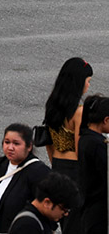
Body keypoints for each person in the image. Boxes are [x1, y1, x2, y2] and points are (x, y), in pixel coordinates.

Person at [42, 55, 93, 233]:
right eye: (88, 81)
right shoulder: (80, 112)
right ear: (79, 83)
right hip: (75, 170)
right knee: (78, 221)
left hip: (57, 166)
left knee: (64, 218)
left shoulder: (52, 106)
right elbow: (82, 149)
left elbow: (49, 142)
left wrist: (54, 166)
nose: (89, 85)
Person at [0, 124, 52, 234]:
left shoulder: (39, 172)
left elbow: (48, 211)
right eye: (7, 142)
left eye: (16, 143)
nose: (10, 147)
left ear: (29, 147)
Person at [5, 173, 80, 234]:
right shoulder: (27, 226)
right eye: (64, 209)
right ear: (47, 203)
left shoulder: (41, 219)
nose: (66, 214)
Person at [77, 94, 109, 234]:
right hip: (100, 207)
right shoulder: (98, 144)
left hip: (88, 203)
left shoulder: (85, 137)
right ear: (106, 120)